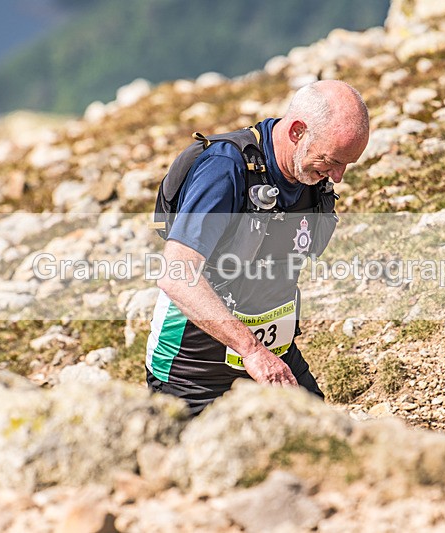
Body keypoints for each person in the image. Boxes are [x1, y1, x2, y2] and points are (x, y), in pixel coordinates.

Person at [146, 80, 369, 415]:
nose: (337, 176)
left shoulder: (310, 175)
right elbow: (177, 275)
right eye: (332, 160)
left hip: (271, 358)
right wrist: (250, 350)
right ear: (297, 131)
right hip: (193, 371)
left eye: (346, 164)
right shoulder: (224, 170)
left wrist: (260, 353)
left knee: (325, 450)